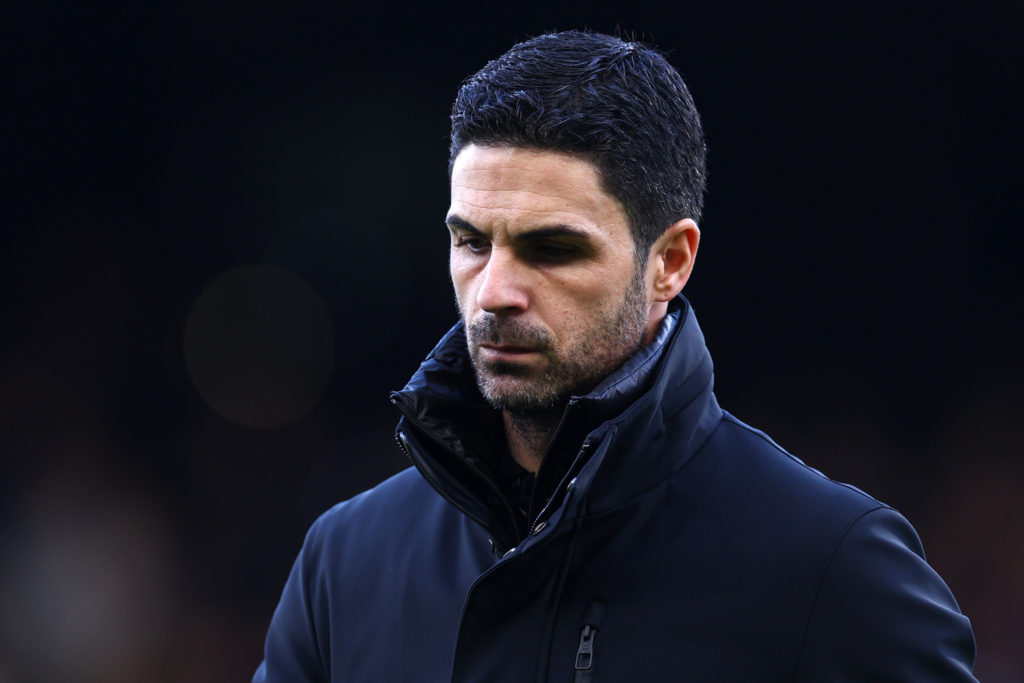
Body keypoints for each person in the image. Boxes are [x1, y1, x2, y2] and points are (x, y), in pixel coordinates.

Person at [253, 31, 976, 681]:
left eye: (553, 248)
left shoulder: (832, 565)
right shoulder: (345, 561)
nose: (495, 291)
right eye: (472, 241)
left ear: (670, 261)